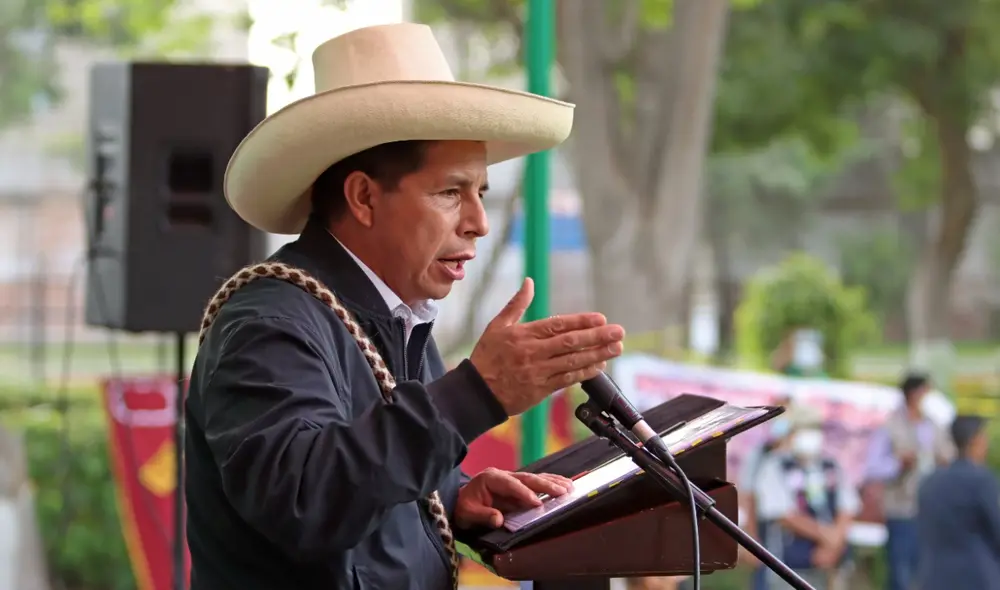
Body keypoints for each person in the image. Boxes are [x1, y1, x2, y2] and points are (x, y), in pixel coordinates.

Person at [184, 23, 627, 590]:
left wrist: (450, 498)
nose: (479, 222)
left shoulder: (393, 315)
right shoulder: (267, 322)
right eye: (450, 192)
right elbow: (302, 500)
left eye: (481, 194)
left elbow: (368, 482)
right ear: (364, 198)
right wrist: (477, 391)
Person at [864, 372, 954, 590]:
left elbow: (950, 456)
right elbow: (872, 467)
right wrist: (899, 463)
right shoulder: (890, 426)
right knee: (901, 574)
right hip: (902, 511)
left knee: (930, 572)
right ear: (913, 394)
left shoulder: (934, 425)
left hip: (932, 509)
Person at [754, 405, 859, 590]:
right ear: (792, 433)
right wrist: (826, 536)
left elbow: (848, 507)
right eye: (804, 428)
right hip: (789, 568)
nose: (811, 434)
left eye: (814, 428)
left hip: (831, 567)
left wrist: (833, 545)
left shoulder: (830, 465)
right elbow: (783, 515)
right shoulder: (775, 466)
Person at [917, 415, 1000, 590]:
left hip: (934, 578)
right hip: (978, 577)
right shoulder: (982, 481)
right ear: (975, 440)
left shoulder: (930, 481)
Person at [739, 396, 794, 590]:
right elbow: (749, 496)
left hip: (798, 543)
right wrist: (752, 539)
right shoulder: (761, 454)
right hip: (767, 533)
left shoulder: (802, 456)